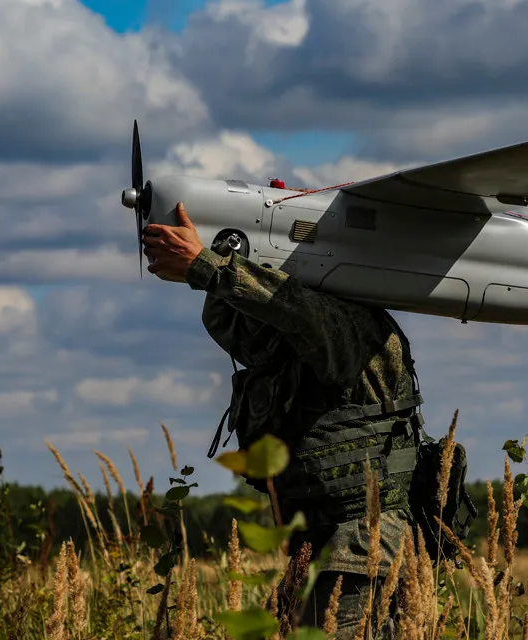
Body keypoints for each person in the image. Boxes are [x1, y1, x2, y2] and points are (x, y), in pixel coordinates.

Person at [142, 202, 426, 636]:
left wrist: (207, 267)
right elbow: (249, 330)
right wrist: (207, 268)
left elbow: (295, 309)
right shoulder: (298, 349)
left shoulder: (354, 329)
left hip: (363, 547)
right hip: (323, 546)